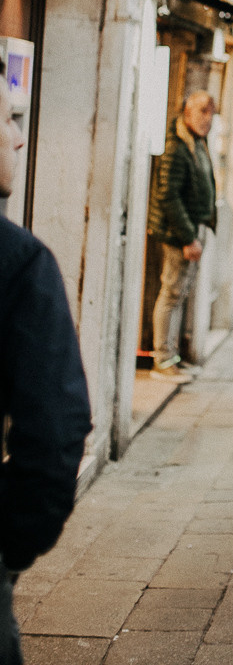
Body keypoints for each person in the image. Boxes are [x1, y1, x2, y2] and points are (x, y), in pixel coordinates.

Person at [0, 73, 92, 664]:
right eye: (7, 119)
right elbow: (55, 436)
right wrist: (9, 547)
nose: (17, 138)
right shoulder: (19, 262)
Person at [147, 91, 217, 381]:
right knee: (171, 293)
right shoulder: (176, 146)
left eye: (211, 112)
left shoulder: (196, 142)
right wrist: (188, 237)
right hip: (178, 234)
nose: (207, 118)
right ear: (187, 111)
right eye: (202, 111)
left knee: (178, 294)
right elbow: (169, 196)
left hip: (190, 229)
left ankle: (172, 356)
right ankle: (162, 360)